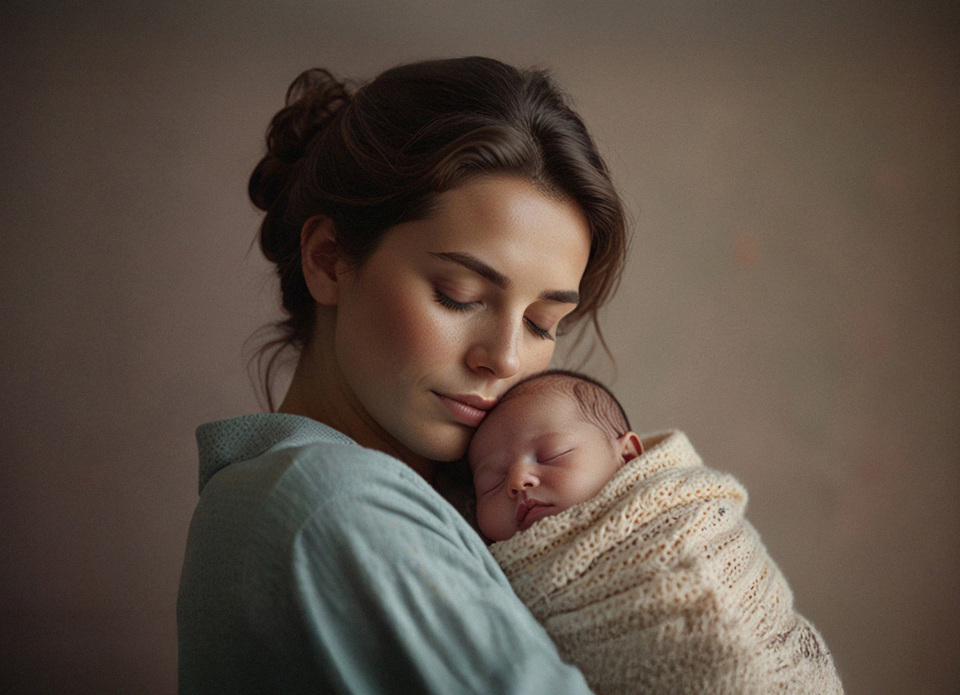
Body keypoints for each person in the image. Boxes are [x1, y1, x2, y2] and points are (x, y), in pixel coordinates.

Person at [177, 56, 629, 694]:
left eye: (541, 323)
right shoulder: (335, 504)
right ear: (329, 259)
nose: (502, 359)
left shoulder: (296, 493)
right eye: (459, 294)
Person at [468, 370, 844, 695]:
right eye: (492, 481)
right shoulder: (483, 571)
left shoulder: (679, 511)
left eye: (551, 455)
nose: (518, 481)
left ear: (628, 455)